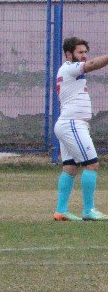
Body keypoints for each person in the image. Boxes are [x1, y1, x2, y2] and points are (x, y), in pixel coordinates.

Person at [52, 37, 108, 221]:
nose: (84, 56)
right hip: (73, 124)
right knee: (91, 164)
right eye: (80, 52)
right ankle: (89, 210)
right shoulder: (69, 67)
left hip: (68, 123)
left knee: (70, 167)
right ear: (69, 54)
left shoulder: (69, 71)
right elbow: (92, 64)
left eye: (85, 52)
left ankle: (61, 211)